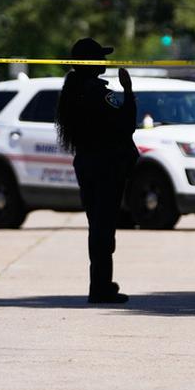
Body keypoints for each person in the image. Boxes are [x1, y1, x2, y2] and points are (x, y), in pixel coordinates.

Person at [54, 37, 138, 304]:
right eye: (99, 58)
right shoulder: (100, 92)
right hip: (107, 165)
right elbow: (126, 124)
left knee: (97, 225)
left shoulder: (73, 90)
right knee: (104, 228)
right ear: (90, 64)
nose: (104, 62)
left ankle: (101, 283)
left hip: (87, 162)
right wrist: (128, 90)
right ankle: (101, 287)